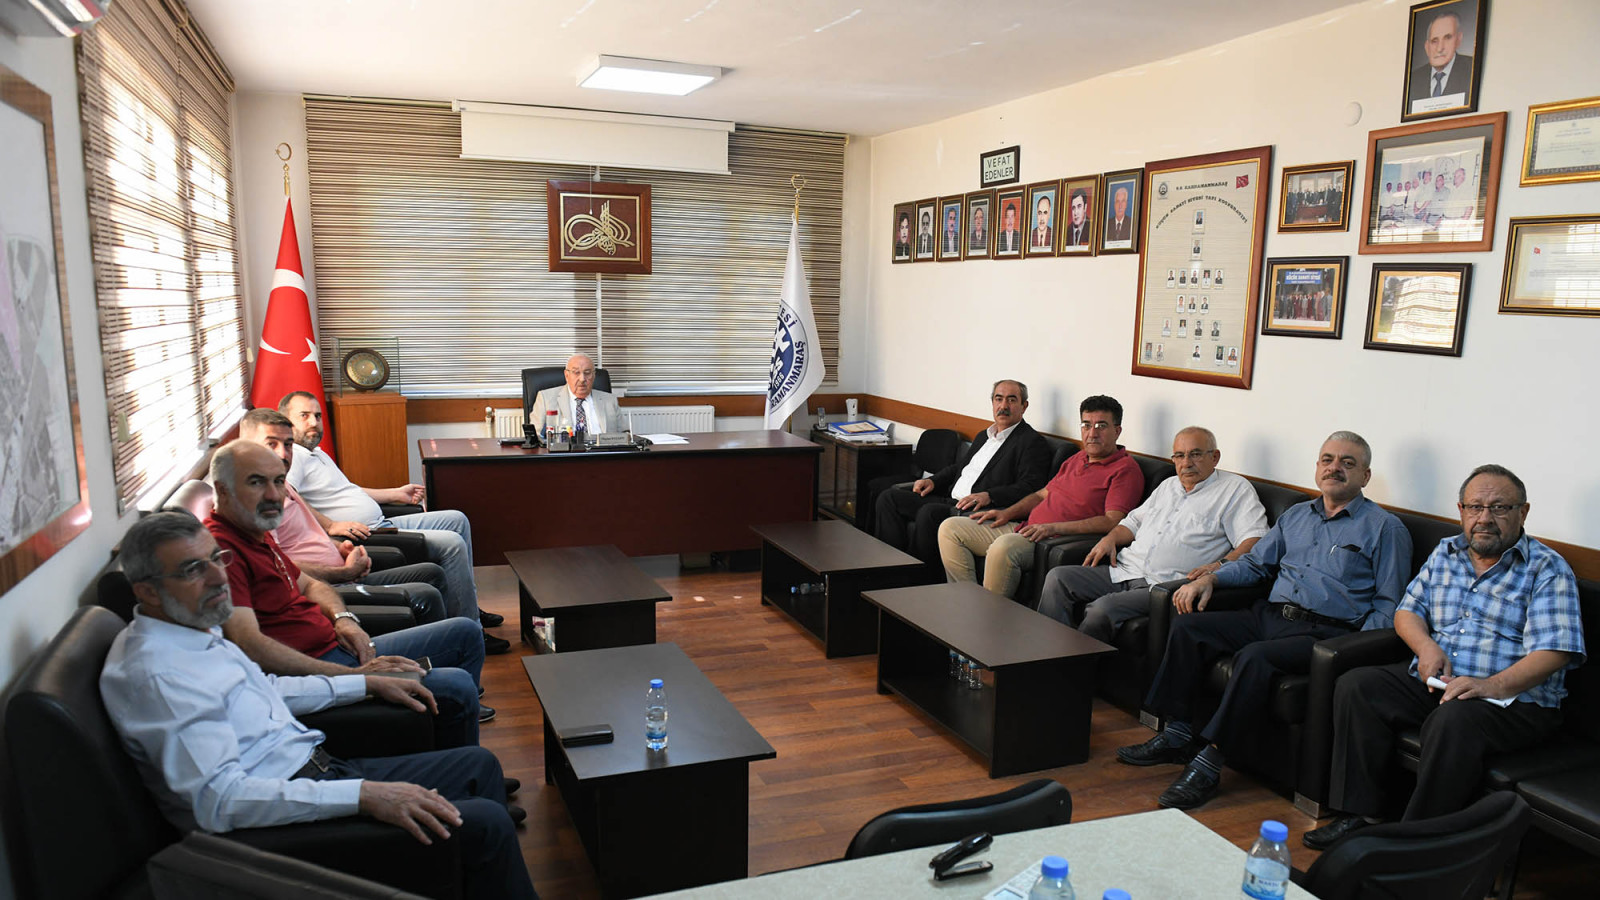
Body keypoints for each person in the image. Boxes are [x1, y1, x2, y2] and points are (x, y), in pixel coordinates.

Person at [99, 512, 538, 900]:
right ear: (147, 590)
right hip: (280, 823)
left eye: (216, 559)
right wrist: (363, 796)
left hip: (316, 767)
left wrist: (363, 683)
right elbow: (220, 801)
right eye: (194, 569)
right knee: (485, 823)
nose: (218, 578)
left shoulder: (191, 628)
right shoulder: (157, 675)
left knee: (478, 765)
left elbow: (270, 688)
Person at [1116, 431, 1412, 811]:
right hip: (1269, 615)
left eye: (1347, 463)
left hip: (1324, 633)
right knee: (1190, 628)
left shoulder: (1385, 528)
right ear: (1317, 468)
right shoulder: (1296, 515)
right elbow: (1256, 565)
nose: (1334, 468)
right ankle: (1178, 734)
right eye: (1327, 460)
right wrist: (1211, 579)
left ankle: (1208, 765)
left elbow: (1388, 605)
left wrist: (1349, 652)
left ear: (1365, 476)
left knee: (1255, 657)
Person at [1304, 465, 1585, 849]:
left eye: (1499, 508)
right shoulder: (1446, 552)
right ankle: (1363, 816)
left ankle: (1417, 844)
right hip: (1444, 682)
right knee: (1358, 686)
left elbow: (1555, 651)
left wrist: (1489, 686)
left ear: (1523, 512)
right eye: (1475, 507)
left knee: (1452, 720)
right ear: (1461, 511)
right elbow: (1407, 612)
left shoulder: (1547, 568)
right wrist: (1426, 648)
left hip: (1514, 701)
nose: (1484, 518)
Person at [205, 440, 492, 739]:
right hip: (319, 671)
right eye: (256, 482)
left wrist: (344, 620)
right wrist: (356, 677)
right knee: (456, 686)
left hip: (341, 648)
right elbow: (249, 645)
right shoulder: (221, 552)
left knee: (466, 633)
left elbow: (310, 584)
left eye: (278, 482)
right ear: (222, 489)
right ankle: (453, 752)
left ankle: (447, 735)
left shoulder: (255, 531)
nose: (273, 494)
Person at [280, 391, 505, 654]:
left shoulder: (317, 454)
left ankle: (467, 604)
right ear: (286, 422)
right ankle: (472, 628)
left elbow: (350, 490)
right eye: (304, 416)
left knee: (457, 519)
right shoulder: (294, 456)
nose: (314, 422)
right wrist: (330, 525)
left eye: (317, 416)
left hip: (384, 520)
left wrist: (396, 493)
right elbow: (288, 492)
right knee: (452, 543)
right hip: (369, 533)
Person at [1037, 427, 1266, 642]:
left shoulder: (1235, 490)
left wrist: (1219, 565)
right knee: (1058, 578)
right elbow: (1133, 522)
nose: (1186, 463)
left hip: (1164, 585)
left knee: (1101, 610)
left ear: (1214, 457)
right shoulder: (1168, 486)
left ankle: (1073, 666)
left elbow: (1254, 540)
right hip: (1125, 569)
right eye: (1179, 455)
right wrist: (1110, 538)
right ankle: (1048, 651)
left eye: (1195, 454)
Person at [240, 408, 449, 624]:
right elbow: (280, 568)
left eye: (288, 445)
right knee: (431, 591)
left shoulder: (282, 483)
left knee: (432, 572)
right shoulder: (257, 504)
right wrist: (344, 572)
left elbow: (306, 534)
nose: (283, 454)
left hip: (345, 570)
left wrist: (340, 548)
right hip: (329, 587)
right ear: (245, 447)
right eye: (271, 444)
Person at [937, 396, 1143, 600]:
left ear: (1117, 431)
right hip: (1027, 528)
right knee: (951, 528)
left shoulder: (1125, 470)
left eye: (1101, 426)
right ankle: (966, 601)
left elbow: (1112, 521)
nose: (1092, 433)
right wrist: (1007, 513)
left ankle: (986, 615)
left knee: (1003, 548)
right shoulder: (1077, 458)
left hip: (1053, 541)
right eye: (1086, 425)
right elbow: (1041, 494)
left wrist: (1052, 528)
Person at [874, 380, 1051, 565]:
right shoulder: (984, 436)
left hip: (975, 510)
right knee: (889, 498)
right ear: (992, 403)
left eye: (1012, 400)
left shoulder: (1031, 442)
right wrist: (933, 481)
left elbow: (1030, 487)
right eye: (999, 399)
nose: (1004, 406)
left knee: (929, 512)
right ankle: (891, 566)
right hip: (949, 499)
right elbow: (960, 468)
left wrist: (989, 496)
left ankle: (917, 576)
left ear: (1024, 406)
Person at [528, 352, 623, 436]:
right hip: (565, 450)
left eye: (587, 373)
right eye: (576, 372)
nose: (582, 379)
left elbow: (623, 436)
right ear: (567, 375)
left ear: (594, 376)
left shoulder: (610, 400)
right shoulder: (546, 399)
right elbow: (537, 437)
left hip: (602, 450)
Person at [1408, 9, 1474, 107]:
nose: (1440, 48)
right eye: (1434, 41)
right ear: (1427, 47)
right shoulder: (1414, 79)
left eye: (1447, 38)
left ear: (1458, 40)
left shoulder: (1472, 69)